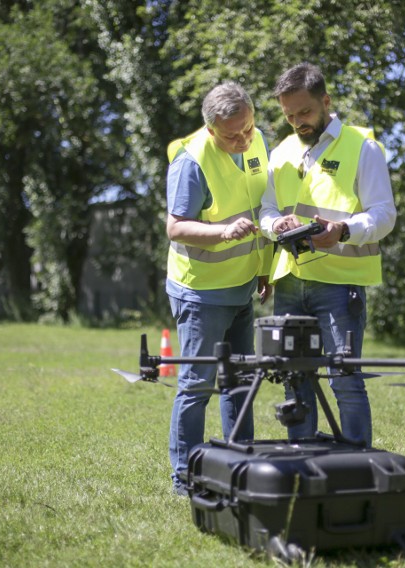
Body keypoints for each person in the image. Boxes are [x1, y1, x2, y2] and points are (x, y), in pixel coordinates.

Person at [260, 63, 396, 447]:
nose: (297, 122)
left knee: (344, 378)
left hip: (340, 284)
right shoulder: (282, 150)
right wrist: (276, 226)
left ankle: (358, 467)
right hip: (290, 282)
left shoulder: (362, 147)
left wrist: (344, 230)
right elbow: (266, 209)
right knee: (293, 376)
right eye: (289, 115)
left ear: (326, 101)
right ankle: (302, 462)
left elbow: (384, 214)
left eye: (305, 112)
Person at [165, 81, 273, 495]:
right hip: (201, 293)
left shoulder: (257, 138)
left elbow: (259, 206)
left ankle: (239, 466)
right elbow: (175, 227)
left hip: (243, 285)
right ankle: (185, 480)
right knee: (197, 386)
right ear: (211, 130)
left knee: (240, 381)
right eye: (233, 135)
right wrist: (223, 232)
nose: (244, 139)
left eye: (248, 128)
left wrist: (263, 269)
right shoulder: (191, 161)